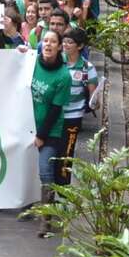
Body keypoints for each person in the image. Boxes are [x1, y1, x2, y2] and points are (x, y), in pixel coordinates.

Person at [31, 29, 71, 238]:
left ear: (59, 47)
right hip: (25, 125)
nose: (48, 44)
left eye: (53, 41)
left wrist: (41, 136)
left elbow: (56, 110)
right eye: (45, 40)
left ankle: (46, 219)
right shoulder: (31, 62)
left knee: (46, 172)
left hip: (50, 131)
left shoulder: (64, 76)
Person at [57, 28, 97, 187]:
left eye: (70, 42)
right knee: (52, 150)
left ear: (80, 46)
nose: (65, 45)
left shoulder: (87, 67)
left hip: (73, 117)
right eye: (64, 41)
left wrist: (94, 103)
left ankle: (63, 190)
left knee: (66, 152)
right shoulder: (56, 61)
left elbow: (94, 97)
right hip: (54, 114)